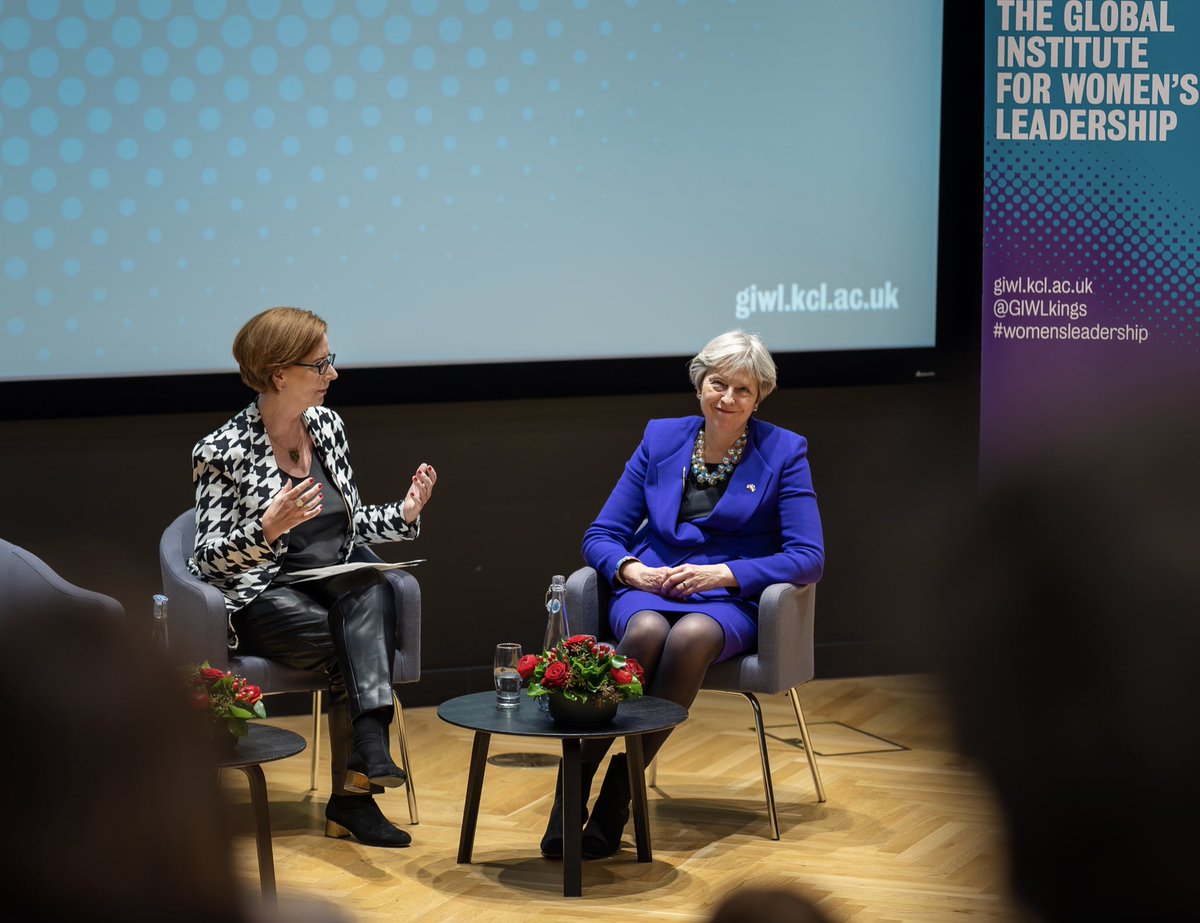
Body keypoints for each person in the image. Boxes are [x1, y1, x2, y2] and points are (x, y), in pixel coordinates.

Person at [541, 330, 825, 859]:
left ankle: (614, 801)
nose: (728, 399)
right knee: (647, 629)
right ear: (700, 384)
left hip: (728, 600)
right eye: (719, 384)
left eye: (744, 389)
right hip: (653, 586)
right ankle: (571, 789)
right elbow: (600, 534)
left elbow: (808, 556)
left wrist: (725, 574)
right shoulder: (661, 438)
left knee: (690, 635)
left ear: (759, 396)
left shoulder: (784, 451)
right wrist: (631, 571)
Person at [190, 306, 436, 848]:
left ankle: (365, 758)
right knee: (358, 637)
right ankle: (357, 790)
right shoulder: (220, 450)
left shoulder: (327, 426)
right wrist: (265, 529)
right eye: (321, 364)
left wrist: (404, 513)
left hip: (336, 585)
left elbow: (346, 525)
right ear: (280, 374)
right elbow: (206, 558)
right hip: (266, 596)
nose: (334, 374)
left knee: (369, 585)